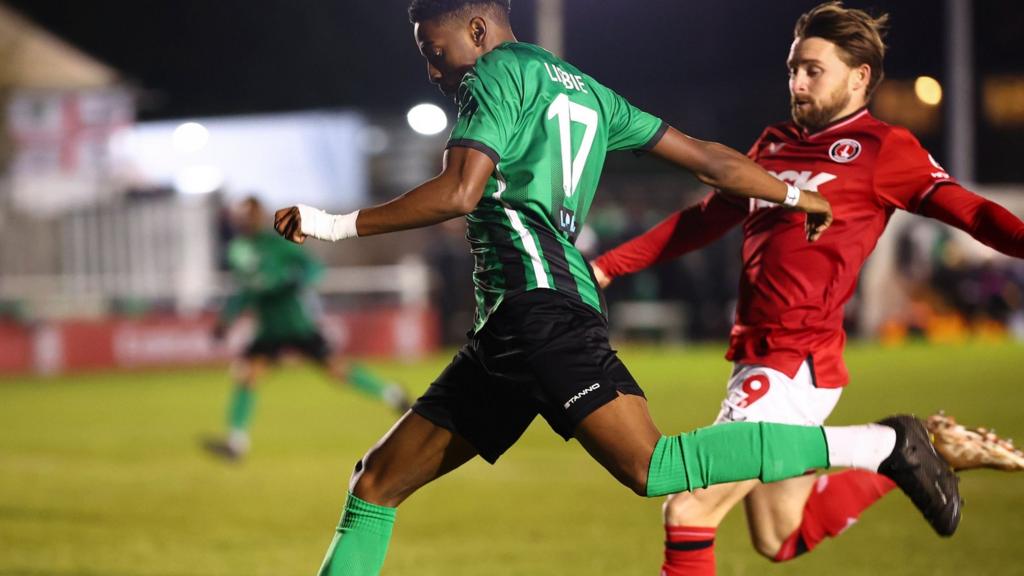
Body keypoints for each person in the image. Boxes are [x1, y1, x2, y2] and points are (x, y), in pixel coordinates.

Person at [272, 2, 960, 574]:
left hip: (537, 311)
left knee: (656, 469)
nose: (433, 67)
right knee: (376, 484)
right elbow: (709, 161)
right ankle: (884, 447)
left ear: (478, 30)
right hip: (513, 325)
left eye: (436, 47)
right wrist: (795, 195)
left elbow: (459, 191)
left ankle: (883, 446)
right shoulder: (580, 86)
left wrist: (333, 224)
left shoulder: (492, 77)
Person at [590, 3, 1024, 574]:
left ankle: (895, 444)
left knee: (689, 508)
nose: (797, 82)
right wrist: (606, 267)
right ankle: (921, 450)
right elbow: (704, 220)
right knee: (780, 535)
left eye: (813, 70)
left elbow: (974, 213)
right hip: (758, 357)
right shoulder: (773, 143)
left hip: (794, 361)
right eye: (793, 68)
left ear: (859, 76)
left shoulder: (883, 149)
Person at [206, 196, 410, 460]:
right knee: (246, 376)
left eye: (250, 215)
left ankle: (393, 395)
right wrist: (228, 318)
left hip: (296, 323)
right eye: (243, 216)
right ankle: (236, 444)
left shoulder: (279, 243)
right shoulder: (238, 251)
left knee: (338, 370)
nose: (246, 220)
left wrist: (290, 280)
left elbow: (313, 269)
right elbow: (244, 291)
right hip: (269, 329)